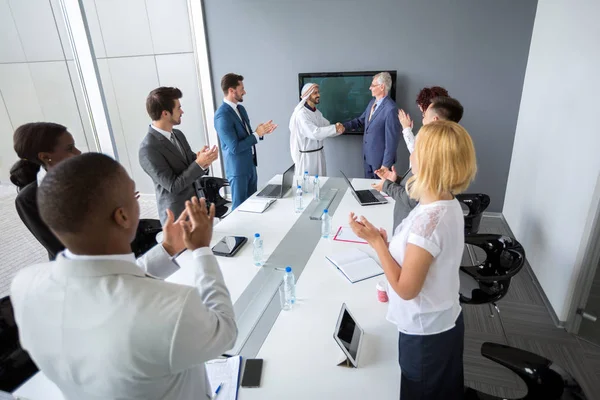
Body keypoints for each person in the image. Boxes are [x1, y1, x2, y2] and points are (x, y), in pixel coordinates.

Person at [10, 153, 237, 400]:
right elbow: (225, 332)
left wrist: (168, 249)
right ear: (123, 217)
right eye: (134, 194)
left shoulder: (24, 286)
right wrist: (202, 250)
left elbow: (109, 278)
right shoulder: (173, 307)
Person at [349, 120, 477, 400]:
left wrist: (376, 244)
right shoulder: (446, 204)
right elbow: (419, 255)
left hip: (425, 336)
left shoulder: (430, 221)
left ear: (430, 161)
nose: (411, 155)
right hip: (444, 322)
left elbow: (406, 289)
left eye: (416, 149)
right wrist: (387, 243)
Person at [373, 96, 464, 230]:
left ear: (435, 119)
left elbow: (411, 199)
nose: (422, 118)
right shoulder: (447, 146)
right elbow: (417, 188)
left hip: (410, 225)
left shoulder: (434, 152)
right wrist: (396, 180)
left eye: (424, 114)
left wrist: (387, 185)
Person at [139, 87, 219, 225]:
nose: (182, 112)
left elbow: (191, 165)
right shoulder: (148, 149)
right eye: (178, 108)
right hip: (177, 219)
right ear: (165, 113)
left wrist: (204, 160)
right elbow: (173, 186)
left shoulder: (178, 135)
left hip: (197, 210)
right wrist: (199, 164)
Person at [9, 122, 81, 260]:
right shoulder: (29, 199)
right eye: (70, 148)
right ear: (45, 157)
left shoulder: (86, 173)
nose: (78, 152)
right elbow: (61, 250)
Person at [214, 73, 277, 209]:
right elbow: (234, 147)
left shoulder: (240, 109)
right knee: (239, 209)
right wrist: (256, 134)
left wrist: (261, 131)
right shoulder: (222, 115)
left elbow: (247, 136)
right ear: (231, 90)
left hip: (250, 166)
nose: (244, 91)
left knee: (252, 206)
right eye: (241, 88)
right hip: (237, 170)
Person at [342, 72, 400, 178]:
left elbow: (392, 142)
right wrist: (344, 126)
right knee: (368, 188)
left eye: (373, 85)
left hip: (380, 163)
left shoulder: (391, 109)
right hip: (368, 158)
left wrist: (385, 166)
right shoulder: (372, 102)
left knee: (380, 192)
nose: (369, 88)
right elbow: (361, 120)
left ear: (382, 87)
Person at [289, 83, 345, 176]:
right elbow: (314, 133)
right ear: (307, 96)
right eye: (315, 93)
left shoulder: (317, 112)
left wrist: (338, 130)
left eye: (318, 92)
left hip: (319, 154)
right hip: (307, 159)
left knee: (321, 184)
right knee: (307, 186)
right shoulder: (301, 114)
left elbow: (326, 128)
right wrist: (334, 128)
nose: (318, 95)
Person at [398, 86, 449, 154]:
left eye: (424, 113)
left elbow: (416, 153)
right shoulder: (448, 129)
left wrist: (406, 129)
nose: (423, 116)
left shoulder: (435, 132)